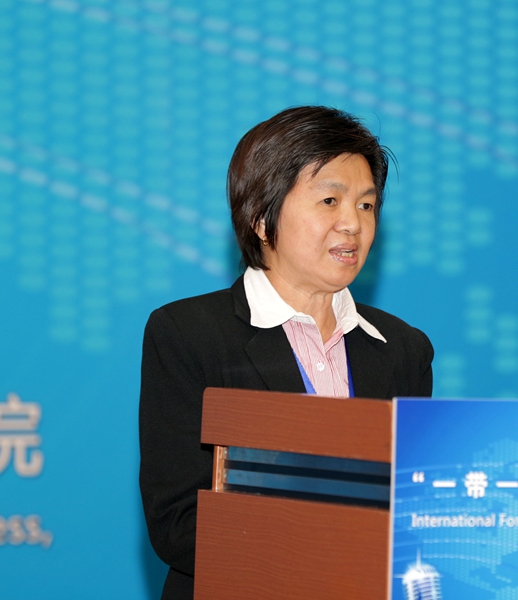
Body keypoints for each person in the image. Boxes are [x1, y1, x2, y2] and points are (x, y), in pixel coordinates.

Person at [138, 106, 433, 600]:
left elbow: (413, 505)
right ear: (261, 216)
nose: (352, 224)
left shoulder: (403, 348)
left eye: (366, 205)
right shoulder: (190, 334)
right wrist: (329, 547)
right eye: (330, 201)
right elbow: (179, 521)